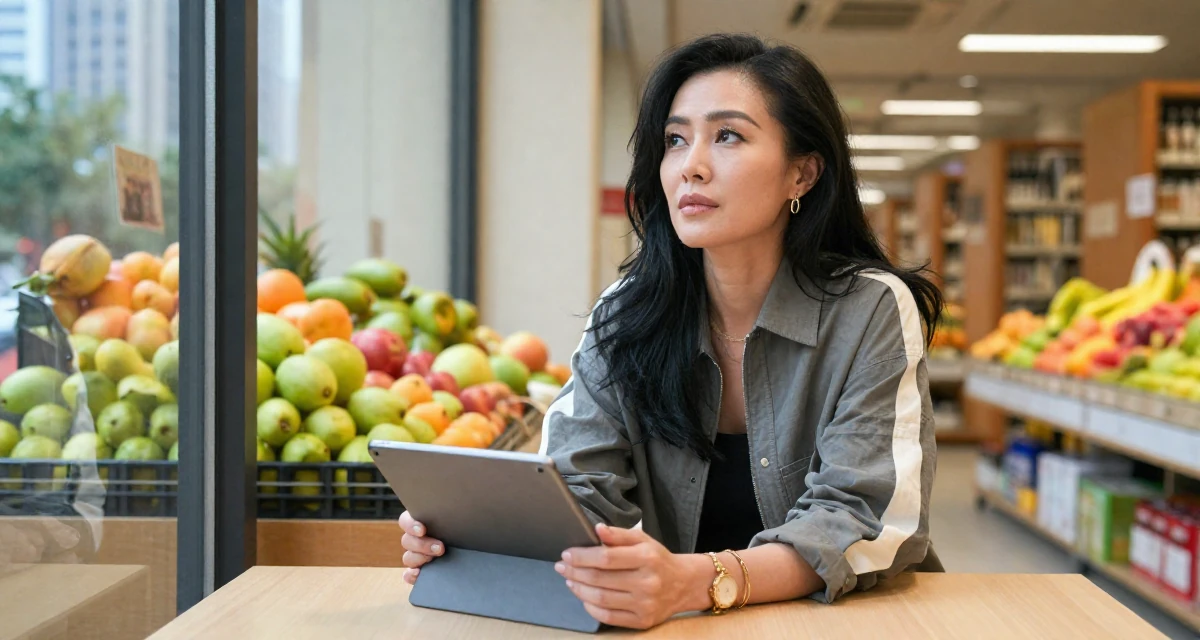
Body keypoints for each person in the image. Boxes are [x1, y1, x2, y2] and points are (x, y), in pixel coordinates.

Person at [398, 33, 942, 630]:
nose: (692, 165)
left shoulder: (869, 308)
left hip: (847, 622)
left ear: (802, 174)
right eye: (675, 140)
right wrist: (480, 535)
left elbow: (865, 517)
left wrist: (703, 579)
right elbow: (572, 483)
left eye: (727, 135)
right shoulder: (627, 312)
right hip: (680, 625)